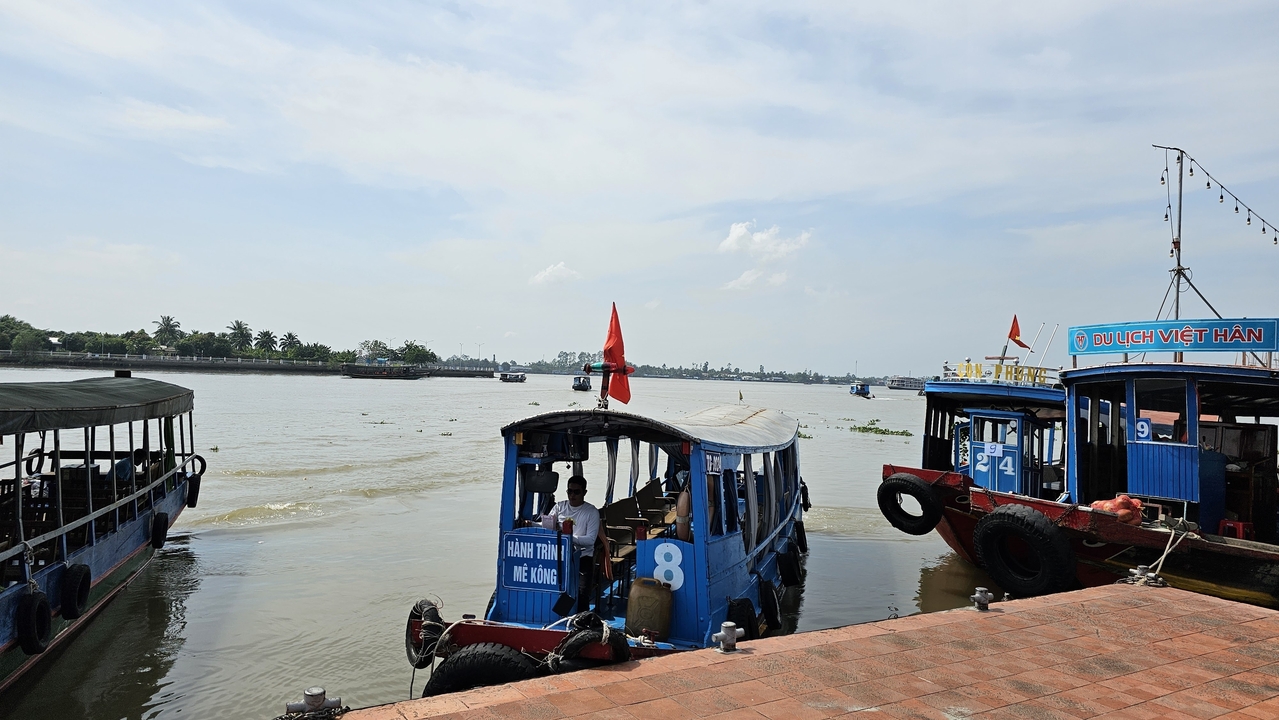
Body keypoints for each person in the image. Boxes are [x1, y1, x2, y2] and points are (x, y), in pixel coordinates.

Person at [539, 475, 600, 612]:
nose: (572, 495)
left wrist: (569, 538)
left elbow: (590, 540)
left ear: (584, 492)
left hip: (583, 557)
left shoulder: (591, 512)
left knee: (582, 593)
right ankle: (558, 616)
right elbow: (546, 526)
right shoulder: (559, 507)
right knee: (556, 588)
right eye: (569, 491)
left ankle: (581, 622)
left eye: (576, 492)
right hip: (559, 557)